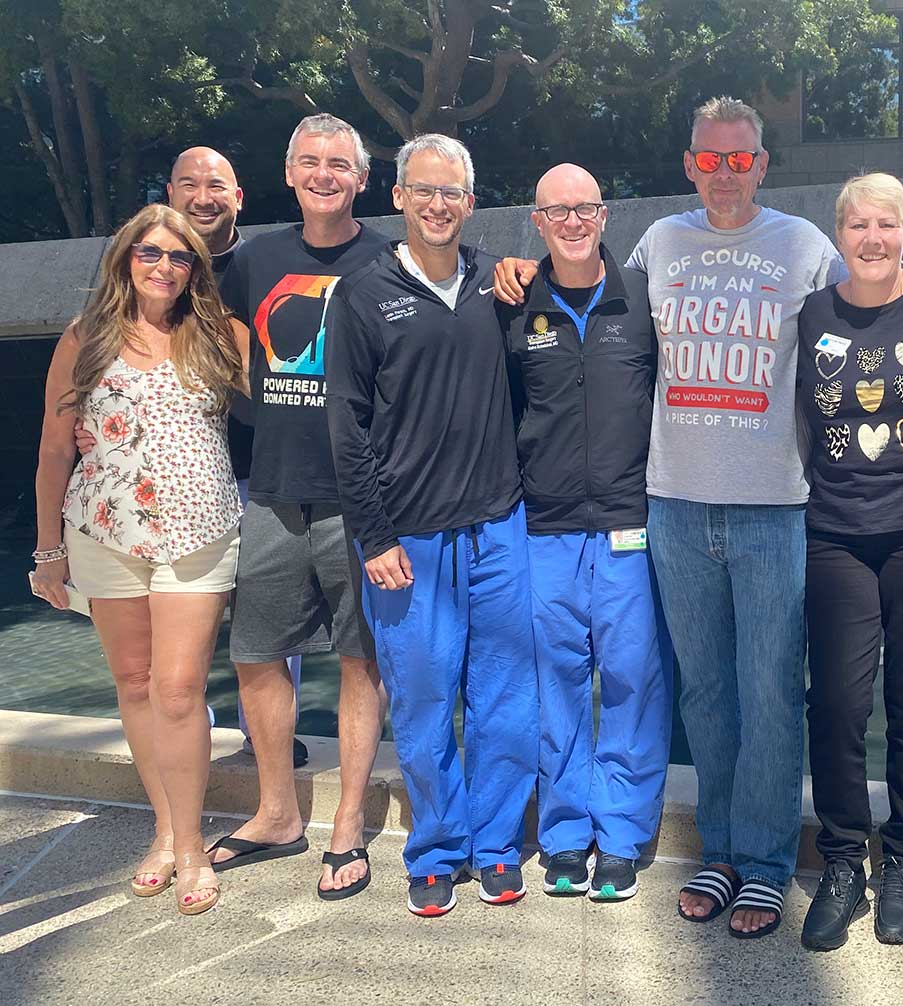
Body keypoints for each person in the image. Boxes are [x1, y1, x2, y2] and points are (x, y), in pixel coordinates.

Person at [494, 96, 843, 938]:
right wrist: (516, 271)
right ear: (689, 164)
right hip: (674, 506)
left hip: (773, 507)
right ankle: (719, 851)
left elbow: (860, 333)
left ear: (762, 165)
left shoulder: (806, 248)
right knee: (707, 694)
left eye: (740, 159)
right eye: (709, 158)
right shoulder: (658, 246)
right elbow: (589, 300)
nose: (724, 173)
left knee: (771, 694)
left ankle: (764, 863)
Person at [326, 134, 536, 917]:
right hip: (407, 537)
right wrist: (373, 536)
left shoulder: (494, 279)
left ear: (471, 203)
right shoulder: (362, 292)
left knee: (506, 698)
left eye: (453, 193)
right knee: (420, 700)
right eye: (425, 191)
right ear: (400, 197)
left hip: (497, 525)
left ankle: (497, 845)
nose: (439, 205)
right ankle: (437, 849)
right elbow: (345, 425)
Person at [33, 204, 247, 915]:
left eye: (179, 257)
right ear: (126, 258)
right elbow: (57, 450)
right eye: (150, 253)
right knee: (133, 681)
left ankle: (191, 846)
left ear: (195, 269)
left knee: (180, 688)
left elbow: (292, 401)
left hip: (199, 531)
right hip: (104, 530)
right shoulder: (85, 337)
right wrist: (48, 552)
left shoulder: (218, 333)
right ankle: (164, 831)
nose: (163, 267)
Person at [207, 114, 386, 901]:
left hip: (361, 498)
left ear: (362, 178)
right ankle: (277, 812)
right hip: (273, 491)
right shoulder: (254, 260)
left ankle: (346, 820)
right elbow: (222, 350)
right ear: (288, 173)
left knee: (359, 659)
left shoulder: (391, 254)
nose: (324, 174)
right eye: (310, 162)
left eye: (339, 164)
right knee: (255, 655)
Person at [795, 172, 903, 951]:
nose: (872, 238)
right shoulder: (813, 312)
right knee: (834, 705)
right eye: (858, 224)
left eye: (886, 225)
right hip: (836, 533)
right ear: (840, 234)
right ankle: (840, 861)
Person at [504, 164, 670, 903]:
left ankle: (624, 836)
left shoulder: (642, 303)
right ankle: (567, 834)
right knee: (557, 683)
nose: (573, 222)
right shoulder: (510, 305)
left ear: (605, 215)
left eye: (586, 208)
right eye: (557, 210)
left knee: (633, 681)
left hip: (628, 526)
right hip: (545, 527)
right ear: (536, 220)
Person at [165, 145, 308, 767]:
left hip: (258, 465)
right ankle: (184, 731)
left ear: (239, 196)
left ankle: (268, 734)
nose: (203, 197)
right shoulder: (150, 262)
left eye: (216, 185)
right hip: (172, 474)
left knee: (271, 609)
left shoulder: (267, 261)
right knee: (180, 621)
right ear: (170, 192)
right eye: (189, 184)